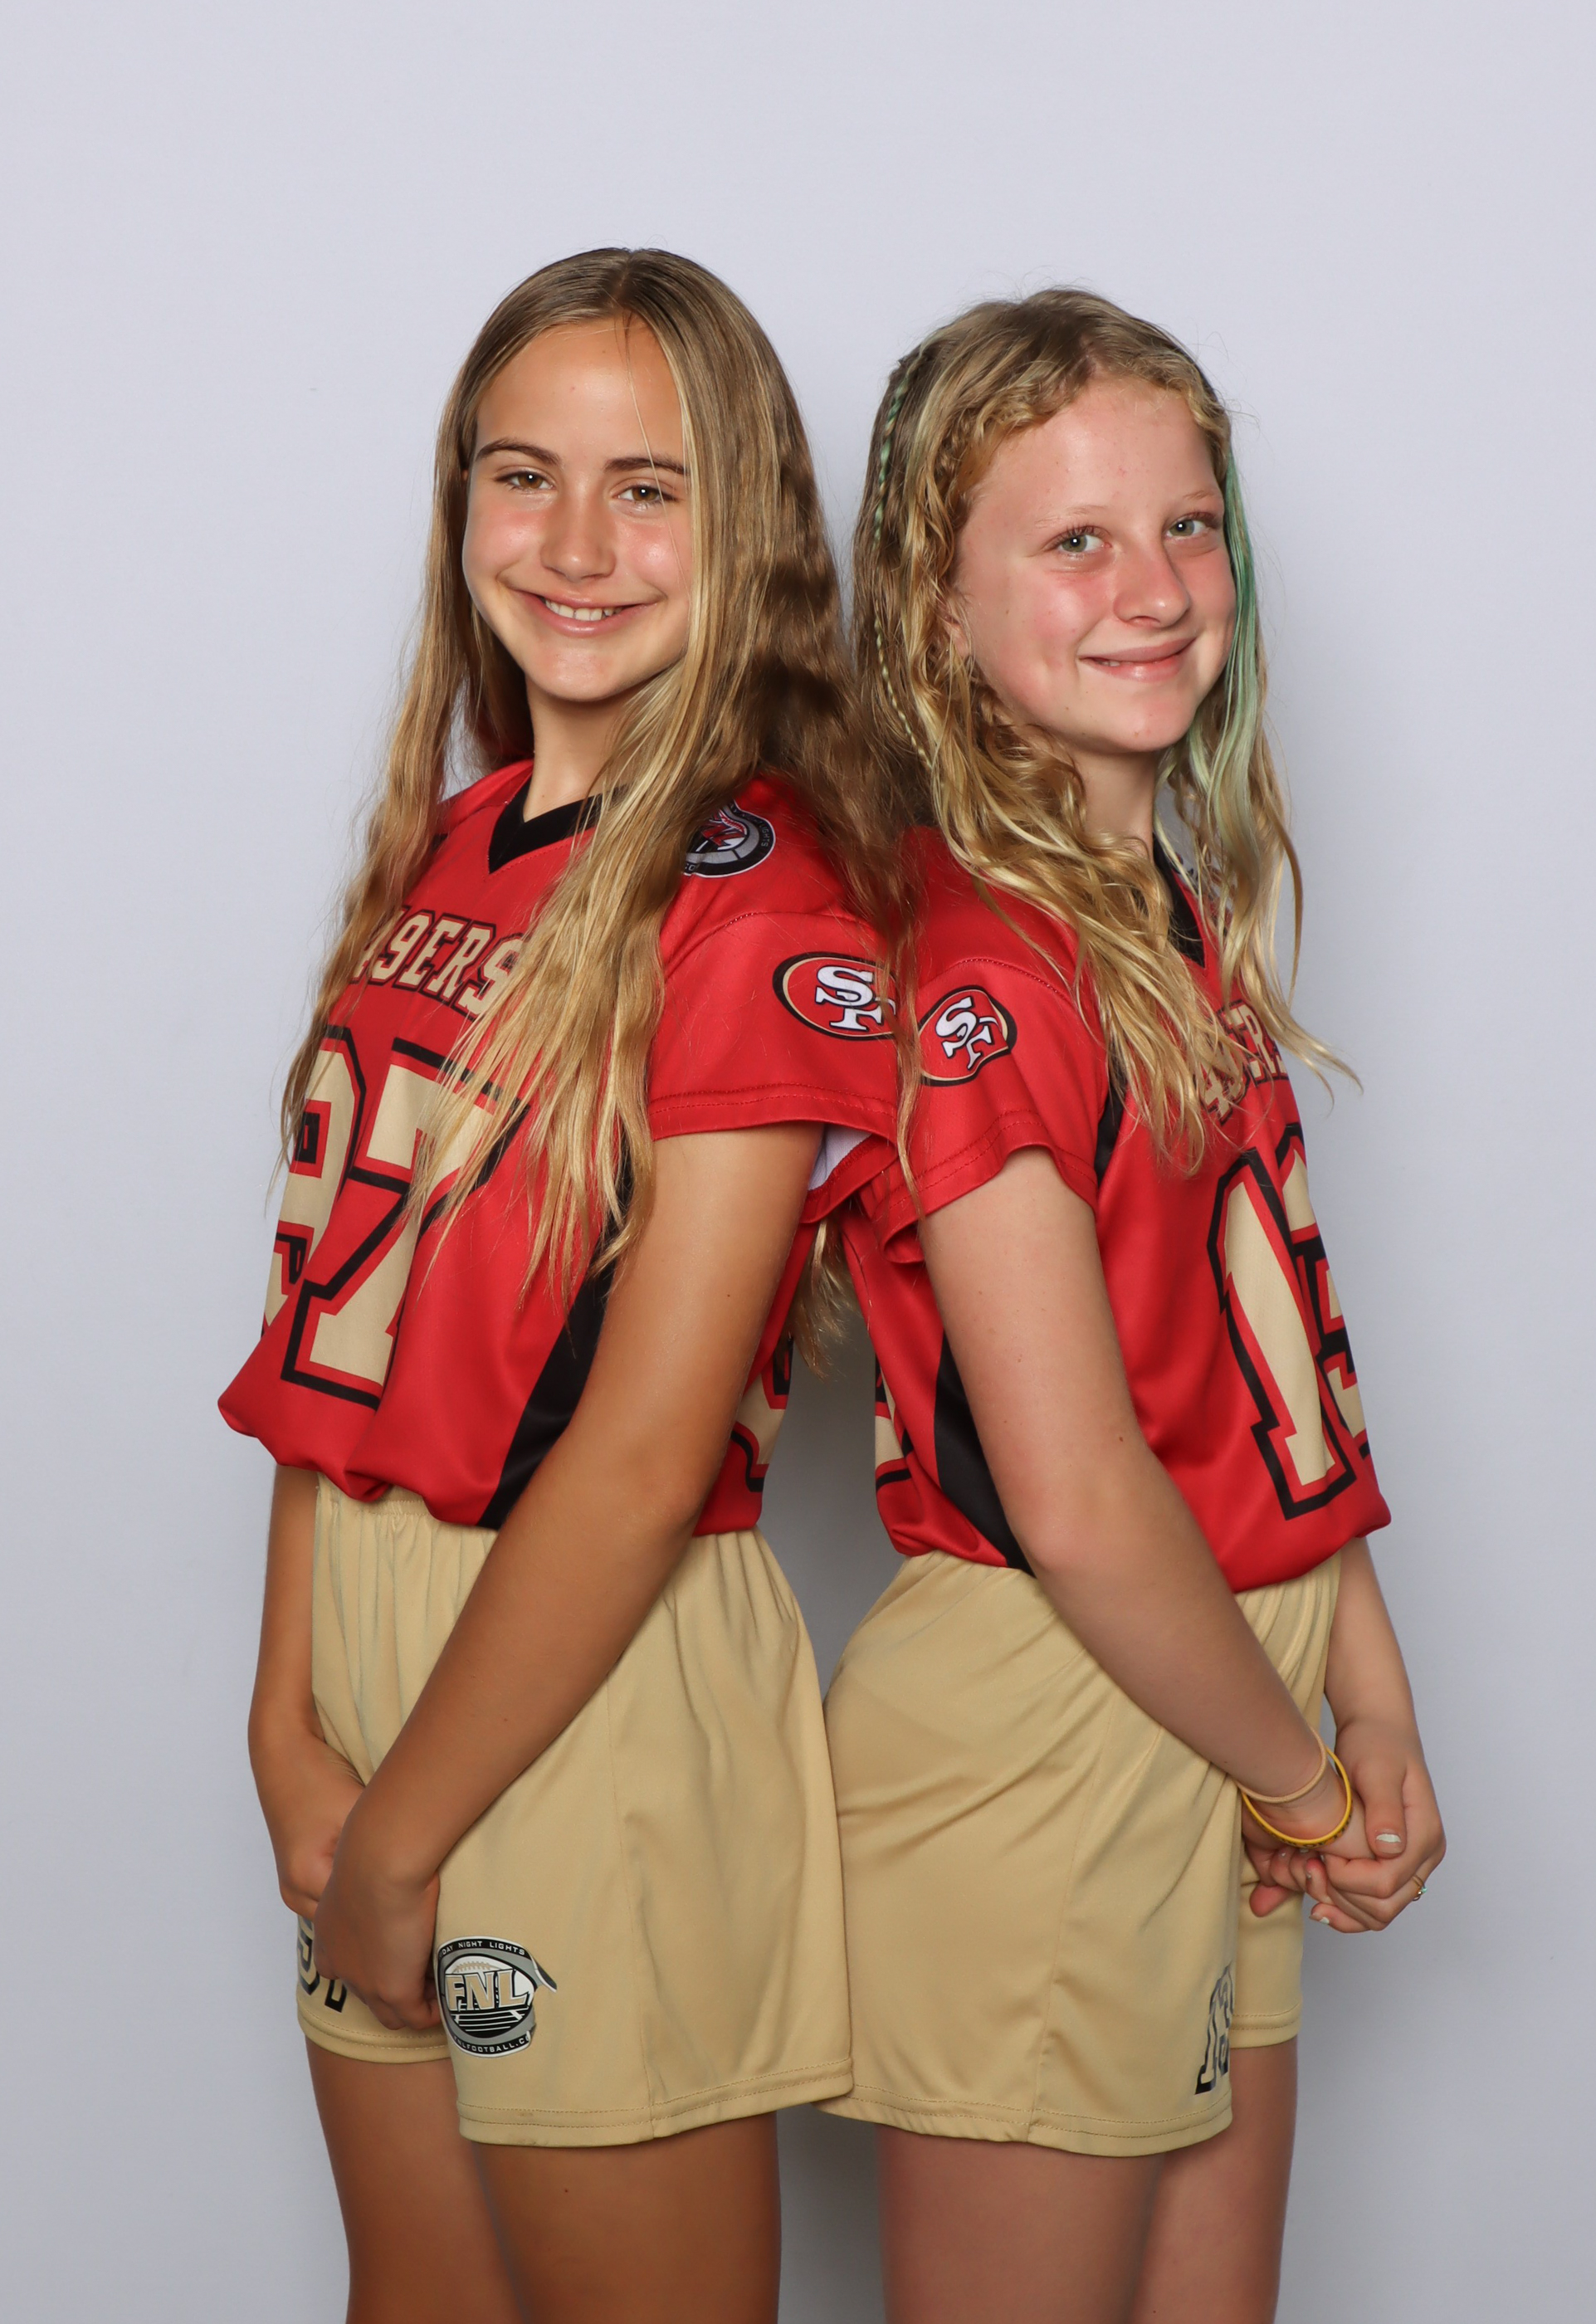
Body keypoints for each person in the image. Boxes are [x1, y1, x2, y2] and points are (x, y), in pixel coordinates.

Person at [222, 247, 902, 2324]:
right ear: (460, 503)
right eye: (523, 475)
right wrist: (285, 1716)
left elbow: (639, 1448)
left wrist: (401, 1832)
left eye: (648, 486)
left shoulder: (760, 897)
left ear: (747, 526)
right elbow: (334, 1340)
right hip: (376, 1646)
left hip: (584, 1675)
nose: (576, 543)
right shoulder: (454, 840)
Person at [821, 290, 1446, 2324]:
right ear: (935, 604)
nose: (1155, 589)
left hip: (1224, 1676)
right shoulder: (977, 966)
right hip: (1055, 1715)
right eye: (1075, 540)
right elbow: (1081, 1493)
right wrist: (1300, 1776)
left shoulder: (1167, 909)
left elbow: (1254, 1380)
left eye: (1186, 526)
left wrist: (1366, 1685)